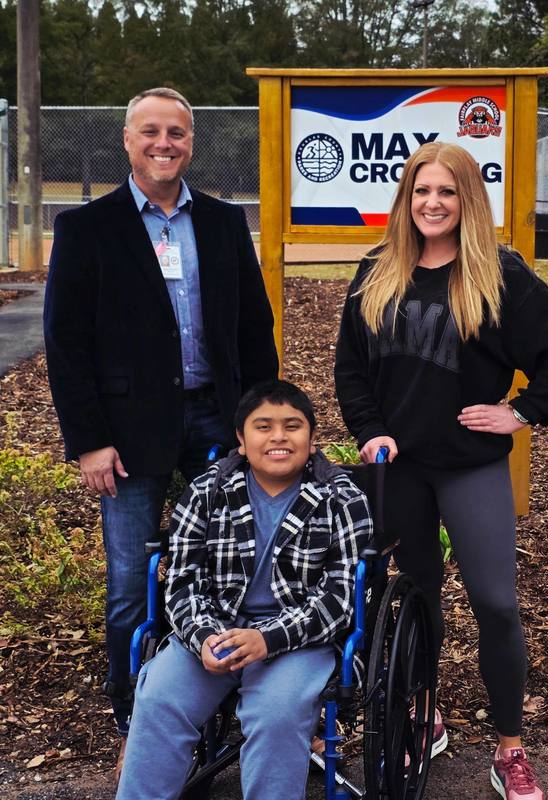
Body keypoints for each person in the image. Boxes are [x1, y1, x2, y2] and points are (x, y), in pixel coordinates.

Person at [334, 141, 548, 800]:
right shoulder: (376, 270)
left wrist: (521, 411)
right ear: (406, 199)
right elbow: (351, 369)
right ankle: (425, 714)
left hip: (469, 467)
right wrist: (369, 431)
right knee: (416, 597)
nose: (432, 203)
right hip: (402, 467)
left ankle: (509, 749)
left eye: (447, 192)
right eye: (422, 191)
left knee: (496, 605)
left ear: (467, 200)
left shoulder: (498, 274)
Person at [43, 87, 279, 771]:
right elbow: (66, 343)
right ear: (127, 140)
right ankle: (131, 705)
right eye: (151, 131)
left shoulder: (226, 224)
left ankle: (224, 694)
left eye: (177, 132)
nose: (164, 143)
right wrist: (88, 439)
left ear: (191, 143)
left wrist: (257, 422)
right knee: (129, 581)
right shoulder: (88, 228)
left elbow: (253, 330)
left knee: (229, 565)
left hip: (217, 417)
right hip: (126, 429)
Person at [115, 379, 372, 800]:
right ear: (241, 437)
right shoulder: (206, 492)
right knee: (160, 696)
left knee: (276, 713)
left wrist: (266, 638)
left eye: (292, 426)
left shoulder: (341, 499)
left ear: (311, 436)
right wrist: (202, 637)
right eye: (263, 426)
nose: (278, 437)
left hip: (301, 641)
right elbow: (182, 582)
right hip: (216, 629)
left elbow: (340, 598)